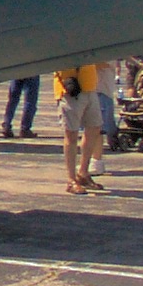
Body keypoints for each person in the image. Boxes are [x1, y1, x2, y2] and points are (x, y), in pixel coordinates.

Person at [54, 64, 103, 194]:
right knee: (71, 134)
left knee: (94, 127)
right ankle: (71, 179)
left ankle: (83, 173)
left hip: (90, 87)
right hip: (71, 88)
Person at [90, 61, 118, 175]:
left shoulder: (106, 51)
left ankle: (97, 162)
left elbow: (102, 63)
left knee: (97, 129)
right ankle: (92, 160)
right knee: (91, 130)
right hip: (92, 90)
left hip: (101, 91)